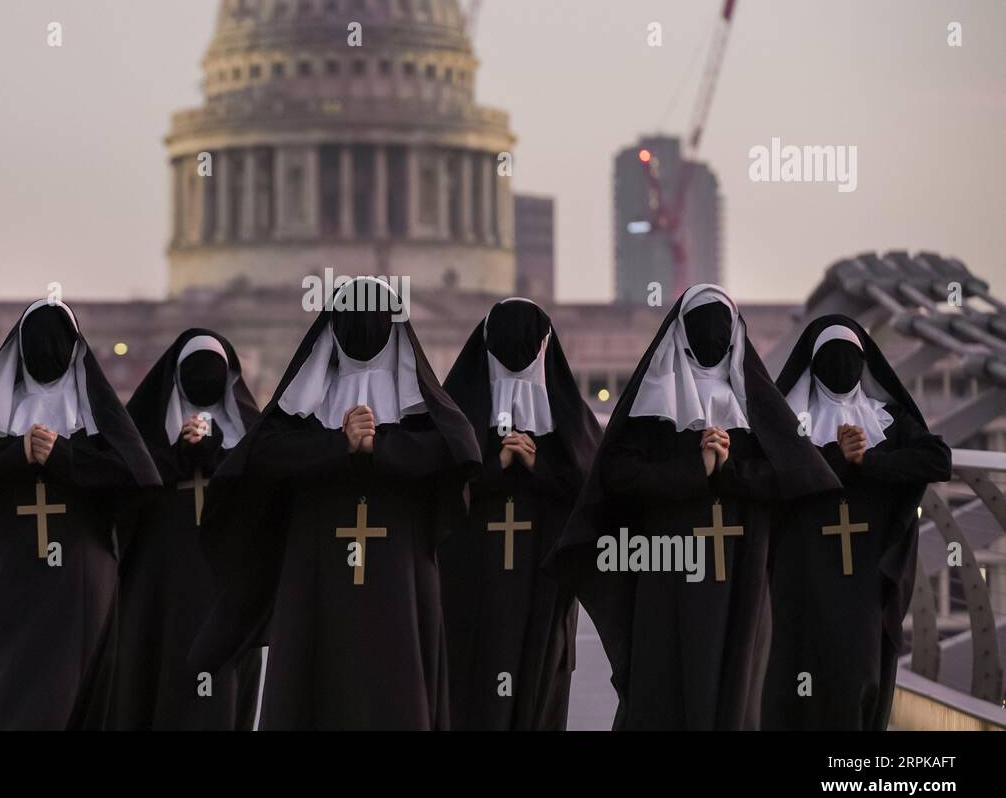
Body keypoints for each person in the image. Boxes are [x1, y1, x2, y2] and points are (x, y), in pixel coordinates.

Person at [545, 284, 839, 730]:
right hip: (670, 568)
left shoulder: (754, 401)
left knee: (734, 679)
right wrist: (693, 469)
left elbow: (799, 476)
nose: (711, 339)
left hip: (741, 566)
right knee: (669, 677)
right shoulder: (656, 397)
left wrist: (728, 472)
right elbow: (618, 474)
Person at [192, 277, 480, 729]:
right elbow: (258, 458)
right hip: (318, 567)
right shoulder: (302, 407)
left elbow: (459, 452)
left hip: (392, 569)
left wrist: (377, 447)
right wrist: (339, 446)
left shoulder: (420, 410)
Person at [0, 299, 159, 729]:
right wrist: (15, 453)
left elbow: (137, 476)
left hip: (69, 574)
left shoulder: (91, 414)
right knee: (8, 686)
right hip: (9, 569)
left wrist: (62, 456)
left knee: (62, 688)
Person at [763, 315, 951, 729]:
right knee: (803, 671)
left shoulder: (887, 419)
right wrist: (839, 460)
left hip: (866, 575)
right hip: (804, 575)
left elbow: (939, 460)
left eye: (850, 358)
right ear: (813, 364)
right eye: (832, 359)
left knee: (860, 674)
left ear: (864, 364)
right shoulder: (789, 424)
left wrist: (869, 460)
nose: (842, 367)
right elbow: (773, 481)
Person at [77, 329, 262, 729]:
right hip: (158, 585)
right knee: (154, 680)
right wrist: (178, 457)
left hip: (224, 586)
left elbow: (263, 502)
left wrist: (218, 459)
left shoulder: (252, 440)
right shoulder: (146, 437)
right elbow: (125, 497)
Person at [439, 297, 601, 729]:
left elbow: (591, 497)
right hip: (474, 586)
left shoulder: (563, 420)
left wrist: (536, 467)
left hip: (542, 586)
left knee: (536, 686)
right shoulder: (457, 417)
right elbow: (436, 494)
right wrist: (498, 469)